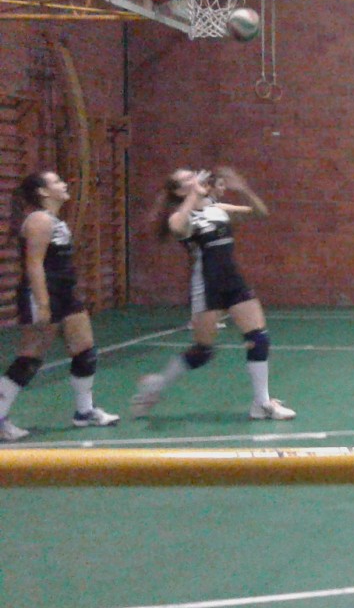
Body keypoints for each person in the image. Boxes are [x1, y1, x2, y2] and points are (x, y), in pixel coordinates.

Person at [131, 166, 295, 421]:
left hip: (233, 280)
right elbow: (177, 229)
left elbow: (260, 213)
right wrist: (193, 196)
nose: (195, 177)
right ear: (179, 191)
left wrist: (244, 190)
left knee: (259, 338)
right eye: (187, 178)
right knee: (203, 351)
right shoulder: (181, 216)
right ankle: (157, 385)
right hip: (207, 285)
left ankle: (261, 403)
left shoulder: (216, 209)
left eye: (193, 174)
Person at [0, 171, 120, 442]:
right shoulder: (39, 220)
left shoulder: (54, 219)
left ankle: (84, 412)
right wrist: (43, 304)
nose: (64, 184)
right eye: (56, 182)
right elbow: (34, 264)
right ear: (43, 192)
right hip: (44, 293)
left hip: (65, 294)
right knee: (30, 359)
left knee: (85, 350)